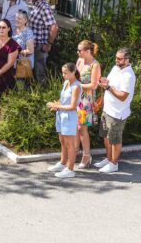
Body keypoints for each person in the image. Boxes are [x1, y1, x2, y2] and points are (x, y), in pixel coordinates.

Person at [95, 48, 136, 173]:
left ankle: (114, 163)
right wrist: (104, 84)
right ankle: (108, 159)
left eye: (119, 58)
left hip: (117, 113)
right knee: (106, 137)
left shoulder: (129, 75)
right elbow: (109, 84)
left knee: (115, 140)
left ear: (127, 60)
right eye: (116, 57)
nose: (116, 60)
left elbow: (123, 96)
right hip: (107, 109)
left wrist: (107, 87)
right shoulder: (115, 68)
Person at [47, 63, 82, 179]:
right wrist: (57, 105)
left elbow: (72, 106)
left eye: (66, 73)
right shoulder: (66, 83)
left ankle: (70, 169)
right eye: (63, 73)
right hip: (60, 115)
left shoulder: (76, 86)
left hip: (69, 117)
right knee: (62, 141)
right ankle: (62, 163)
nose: (63, 75)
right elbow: (64, 100)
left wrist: (57, 106)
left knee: (70, 144)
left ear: (73, 72)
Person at [75, 40, 101, 169]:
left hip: (85, 101)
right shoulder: (79, 61)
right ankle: (74, 152)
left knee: (82, 128)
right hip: (76, 98)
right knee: (75, 127)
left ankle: (86, 155)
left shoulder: (95, 65)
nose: (78, 52)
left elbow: (94, 85)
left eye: (80, 50)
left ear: (88, 51)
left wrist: (78, 86)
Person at [29, 0, 58, 81]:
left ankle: (40, 93)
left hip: (40, 47)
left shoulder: (44, 7)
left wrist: (49, 44)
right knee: (31, 73)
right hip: (32, 45)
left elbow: (53, 27)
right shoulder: (36, 4)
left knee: (39, 74)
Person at [12, 10, 35, 85]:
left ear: (25, 20)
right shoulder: (14, 31)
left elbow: (30, 50)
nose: (16, 20)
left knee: (20, 88)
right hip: (14, 64)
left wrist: (16, 51)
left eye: (19, 18)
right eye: (16, 18)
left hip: (23, 64)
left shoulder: (27, 32)